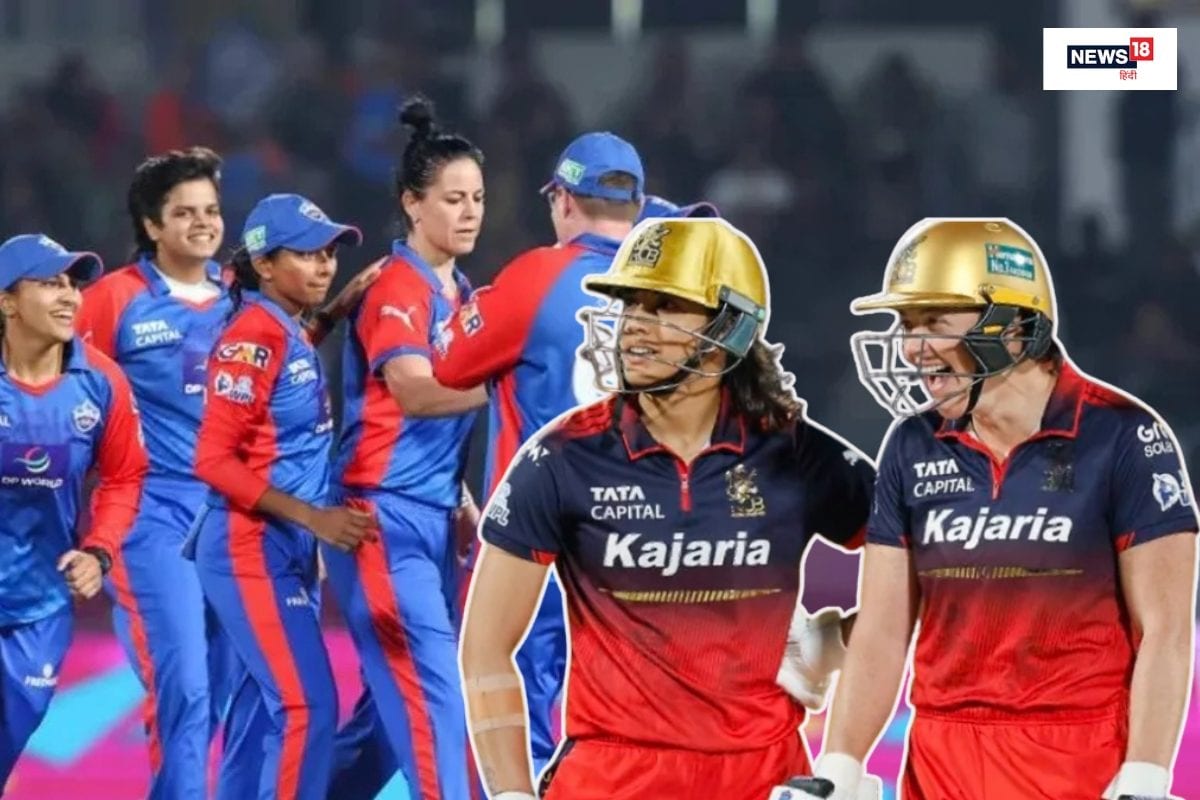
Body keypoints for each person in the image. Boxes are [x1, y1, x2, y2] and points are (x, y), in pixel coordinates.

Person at [460, 217, 877, 800]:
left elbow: (932, 573)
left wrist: (828, 645)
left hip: (763, 779)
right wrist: (510, 795)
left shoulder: (798, 455)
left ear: (731, 326)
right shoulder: (562, 458)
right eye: (631, 304)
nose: (635, 324)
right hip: (610, 780)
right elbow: (485, 646)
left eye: (665, 307)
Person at [793, 218, 1199, 800]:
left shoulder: (1124, 436)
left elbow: (1165, 631)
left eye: (934, 321)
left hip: (1078, 769)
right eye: (906, 325)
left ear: (1012, 326)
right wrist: (839, 765)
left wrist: (1145, 777)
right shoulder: (911, 444)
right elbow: (882, 629)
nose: (912, 348)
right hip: (940, 768)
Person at [76, 148, 374, 800]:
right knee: (187, 686)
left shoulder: (239, 298)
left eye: (210, 210)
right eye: (184, 212)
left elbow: (272, 375)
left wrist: (330, 315)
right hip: (157, 512)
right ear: (151, 225)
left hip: (244, 510)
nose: (203, 223)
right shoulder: (113, 300)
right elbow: (57, 381)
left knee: (251, 695)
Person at [432, 131, 646, 774]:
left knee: (518, 697)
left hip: (542, 535)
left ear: (563, 200)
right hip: (652, 531)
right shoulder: (674, 291)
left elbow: (449, 363)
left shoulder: (537, 277)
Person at [323, 96, 486, 800]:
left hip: (431, 518)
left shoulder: (461, 290)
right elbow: (415, 393)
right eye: (453, 199)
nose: (470, 213)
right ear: (412, 204)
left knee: (385, 727)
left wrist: (462, 498)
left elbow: (429, 427)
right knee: (435, 695)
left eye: (478, 198)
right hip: (378, 520)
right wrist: (510, 384)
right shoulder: (398, 289)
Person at [187, 194, 373, 800]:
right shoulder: (252, 336)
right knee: (307, 707)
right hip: (250, 546)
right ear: (265, 264)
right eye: (307, 254)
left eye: (329, 254)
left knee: (256, 722)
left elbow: (281, 380)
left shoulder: (282, 327)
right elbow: (212, 460)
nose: (325, 266)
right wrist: (313, 517)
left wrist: (334, 313)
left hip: (280, 546)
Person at [0, 234, 148, 785]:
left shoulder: (102, 382)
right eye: (49, 284)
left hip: (40, 603)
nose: (69, 297)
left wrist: (99, 551)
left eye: (72, 284)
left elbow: (125, 475)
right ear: (7, 301)